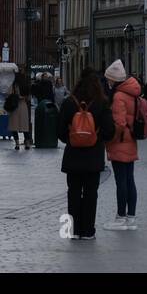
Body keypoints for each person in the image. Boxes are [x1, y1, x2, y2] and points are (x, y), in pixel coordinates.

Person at [58, 68, 117, 240]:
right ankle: (88, 231)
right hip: (93, 156)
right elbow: (109, 131)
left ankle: (74, 230)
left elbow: (60, 132)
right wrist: (96, 137)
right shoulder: (102, 103)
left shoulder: (69, 102)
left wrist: (72, 138)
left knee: (73, 192)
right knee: (91, 193)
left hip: (73, 156)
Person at [105, 59, 143, 230]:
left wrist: (109, 139)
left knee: (121, 181)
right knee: (129, 179)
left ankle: (121, 217)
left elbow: (119, 123)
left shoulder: (119, 96)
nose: (108, 82)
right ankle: (131, 217)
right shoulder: (133, 93)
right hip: (131, 140)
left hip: (120, 142)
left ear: (114, 79)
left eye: (109, 79)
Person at [8, 71, 33, 150]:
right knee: (24, 126)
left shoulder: (13, 85)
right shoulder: (26, 85)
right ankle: (27, 144)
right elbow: (29, 98)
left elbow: (9, 94)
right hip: (23, 106)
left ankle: (17, 144)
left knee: (14, 126)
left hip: (14, 106)